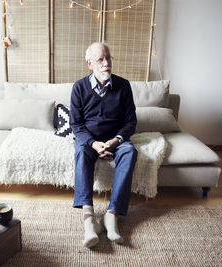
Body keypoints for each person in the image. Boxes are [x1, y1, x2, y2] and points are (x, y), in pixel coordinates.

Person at [70, 42, 138, 248]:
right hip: (90, 141)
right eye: (100, 60)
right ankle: (89, 220)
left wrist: (116, 140)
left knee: (130, 151)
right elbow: (76, 124)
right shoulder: (79, 87)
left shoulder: (123, 86)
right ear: (90, 63)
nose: (106, 63)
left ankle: (111, 214)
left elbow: (130, 122)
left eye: (108, 58)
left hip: (116, 140)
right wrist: (93, 143)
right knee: (81, 151)